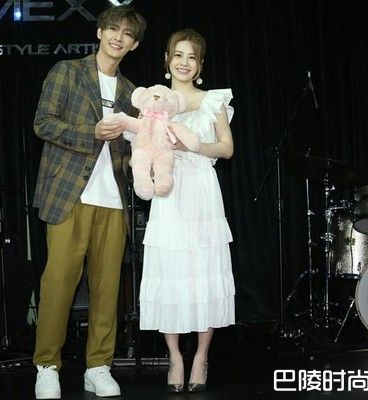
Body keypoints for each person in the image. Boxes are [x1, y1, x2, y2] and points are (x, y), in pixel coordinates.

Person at [31, 5, 146, 399]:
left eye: (127, 34)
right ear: (100, 32)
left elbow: (131, 151)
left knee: (107, 289)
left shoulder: (133, 93)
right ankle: (47, 366)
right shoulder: (67, 71)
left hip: (113, 201)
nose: (118, 37)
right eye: (113, 29)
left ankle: (98, 366)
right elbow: (43, 123)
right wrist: (92, 132)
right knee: (58, 285)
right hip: (67, 195)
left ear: (134, 45)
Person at [138, 28, 235, 393]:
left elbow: (226, 148)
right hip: (168, 193)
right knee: (171, 271)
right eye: (177, 55)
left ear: (200, 65)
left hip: (202, 191)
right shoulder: (154, 99)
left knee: (205, 270)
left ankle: (201, 357)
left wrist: (191, 147)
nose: (184, 62)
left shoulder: (213, 100)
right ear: (167, 60)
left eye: (191, 57)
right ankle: (175, 356)